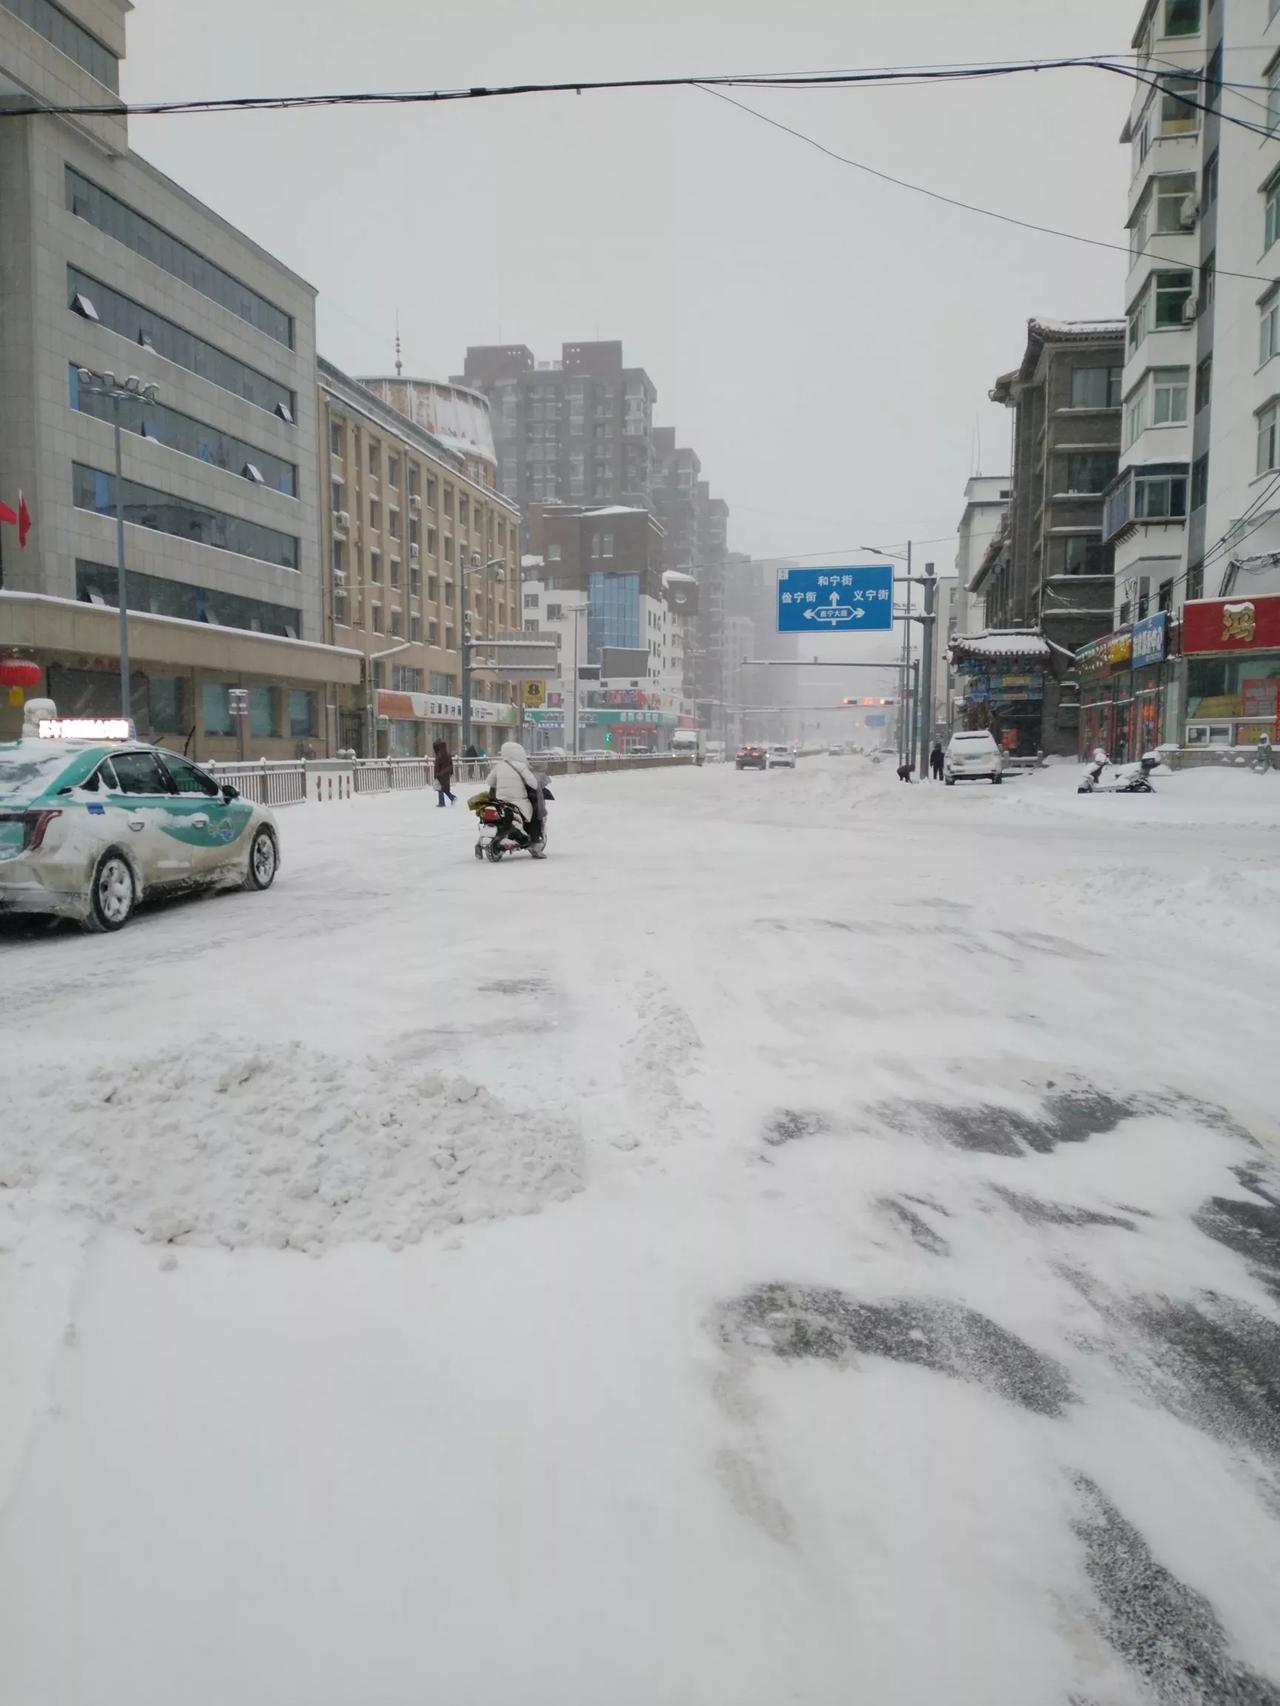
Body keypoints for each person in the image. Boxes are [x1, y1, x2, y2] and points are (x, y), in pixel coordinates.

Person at [487, 739, 545, 851]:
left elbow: (490, 782)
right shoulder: (521, 766)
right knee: (534, 814)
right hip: (519, 801)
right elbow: (533, 783)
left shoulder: (499, 766)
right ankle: (534, 840)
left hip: (501, 801)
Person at [432, 738, 455, 806]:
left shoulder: (439, 755)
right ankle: (452, 798)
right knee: (444, 788)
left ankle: (442, 802)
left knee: (440, 788)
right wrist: (451, 772)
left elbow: (437, 766)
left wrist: (436, 775)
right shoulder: (447, 753)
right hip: (446, 773)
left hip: (440, 773)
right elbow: (450, 763)